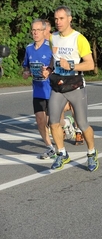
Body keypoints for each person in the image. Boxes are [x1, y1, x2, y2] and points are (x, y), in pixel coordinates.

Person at [42, 5, 99, 171]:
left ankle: (91, 152)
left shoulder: (79, 38)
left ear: (69, 19)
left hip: (75, 85)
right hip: (58, 86)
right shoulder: (53, 38)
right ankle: (62, 153)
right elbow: (54, 58)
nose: (58, 22)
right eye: (56, 19)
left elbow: (90, 64)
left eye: (61, 19)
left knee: (82, 123)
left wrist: (71, 65)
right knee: (53, 123)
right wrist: (50, 69)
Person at [22, 19, 56, 158]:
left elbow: (57, 65)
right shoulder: (29, 48)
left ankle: (61, 143)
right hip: (38, 90)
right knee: (40, 120)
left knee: (53, 123)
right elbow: (26, 65)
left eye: (38, 30)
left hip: (52, 89)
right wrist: (26, 72)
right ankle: (50, 148)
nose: (35, 33)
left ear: (44, 31)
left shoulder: (51, 47)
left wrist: (49, 70)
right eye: (33, 30)